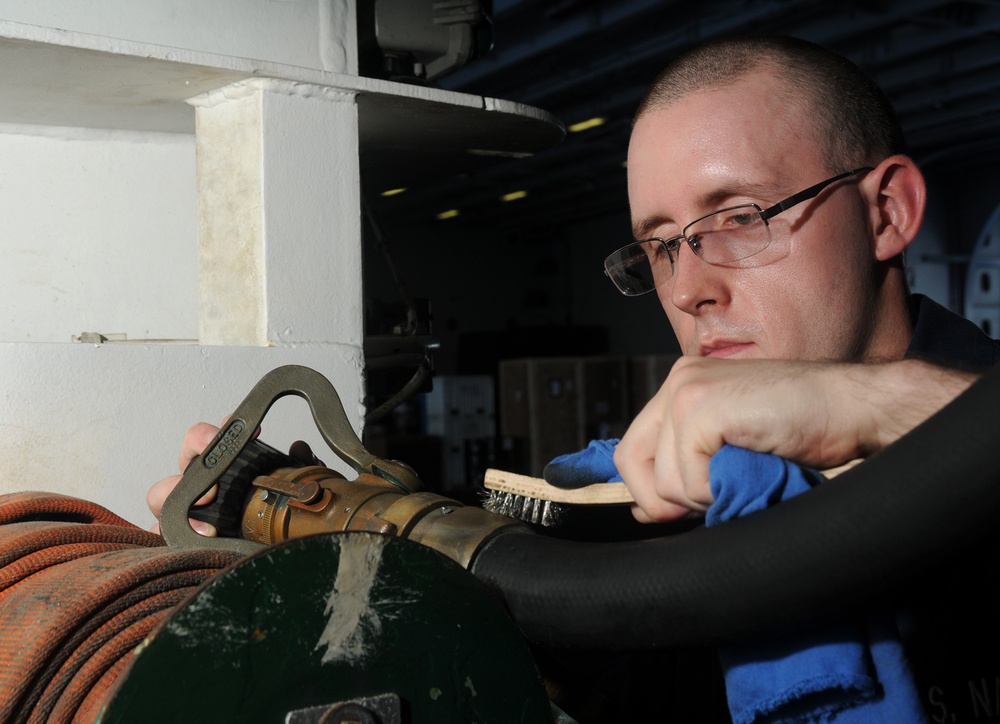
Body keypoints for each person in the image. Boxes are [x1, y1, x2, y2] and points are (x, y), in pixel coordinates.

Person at [149, 33, 999, 721]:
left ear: (886, 213)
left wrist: (874, 403)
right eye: (661, 245)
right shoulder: (637, 498)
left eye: (740, 218)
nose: (691, 289)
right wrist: (312, 520)